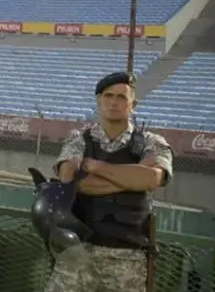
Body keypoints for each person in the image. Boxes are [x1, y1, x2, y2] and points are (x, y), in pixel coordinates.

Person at [44, 71, 174, 292]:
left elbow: (152, 179)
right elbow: (69, 179)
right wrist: (130, 180)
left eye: (121, 97)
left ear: (133, 104)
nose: (114, 102)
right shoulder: (79, 139)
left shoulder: (152, 142)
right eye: (108, 96)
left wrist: (96, 167)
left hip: (127, 260)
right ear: (98, 100)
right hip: (77, 253)